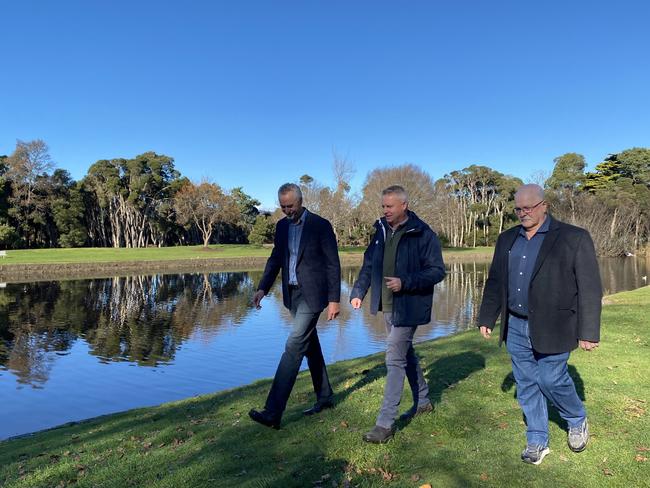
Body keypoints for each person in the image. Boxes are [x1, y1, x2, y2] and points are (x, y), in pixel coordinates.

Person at [478, 184, 602, 465]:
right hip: (516, 326)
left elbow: (590, 288)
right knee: (526, 383)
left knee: (551, 378)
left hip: (556, 325)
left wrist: (589, 331)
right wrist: (487, 316)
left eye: (529, 208)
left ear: (544, 205)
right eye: (518, 209)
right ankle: (536, 440)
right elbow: (496, 281)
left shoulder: (574, 238)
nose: (523, 214)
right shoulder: (507, 239)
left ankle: (576, 418)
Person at [350, 185, 446, 443]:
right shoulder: (381, 230)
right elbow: (369, 264)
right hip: (388, 305)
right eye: (383, 206)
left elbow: (437, 271)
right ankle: (423, 401)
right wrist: (358, 291)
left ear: (404, 205)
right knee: (406, 353)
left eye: (389, 206)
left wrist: (406, 282)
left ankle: (384, 424)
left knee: (393, 359)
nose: (385, 210)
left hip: (410, 306)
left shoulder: (423, 234)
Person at [249, 183, 341, 429]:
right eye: (283, 207)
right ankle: (325, 396)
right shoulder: (281, 227)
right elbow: (276, 259)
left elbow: (333, 263)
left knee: (294, 345)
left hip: (314, 296)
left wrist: (334, 300)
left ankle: (272, 412)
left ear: (301, 201)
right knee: (310, 346)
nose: (287, 211)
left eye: (290, 206)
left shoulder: (320, 225)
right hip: (291, 295)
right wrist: (262, 288)